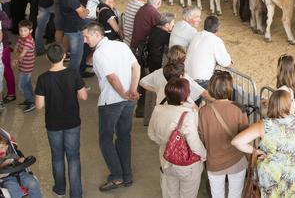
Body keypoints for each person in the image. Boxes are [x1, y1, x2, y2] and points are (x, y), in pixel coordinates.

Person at [83, 22, 139, 191]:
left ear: (97, 35)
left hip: (111, 101)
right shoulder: (121, 45)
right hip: (129, 100)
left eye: (86, 36)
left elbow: (112, 78)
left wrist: (123, 93)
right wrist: (132, 91)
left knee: (105, 139)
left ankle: (117, 176)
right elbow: (136, 66)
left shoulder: (100, 54)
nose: (85, 41)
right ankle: (127, 175)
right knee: (124, 136)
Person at [34, 43, 86, 198]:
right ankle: (76, 194)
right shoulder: (73, 73)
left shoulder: (43, 79)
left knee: (57, 156)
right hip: (72, 122)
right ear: (64, 56)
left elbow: (39, 105)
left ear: (48, 58)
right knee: (73, 157)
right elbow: (83, 96)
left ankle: (60, 189)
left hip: (53, 124)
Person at [147, 78, 206, 198]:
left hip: (166, 158)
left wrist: (166, 143)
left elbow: (151, 134)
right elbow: (194, 143)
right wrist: (204, 155)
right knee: (188, 194)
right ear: (185, 97)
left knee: (169, 193)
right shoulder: (188, 114)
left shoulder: (157, 109)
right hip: (187, 165)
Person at [198, 71, 250, 198]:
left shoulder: (203, 112)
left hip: (214, 161)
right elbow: (245, 136)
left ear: (211, 88)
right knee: (235, 194)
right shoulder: (239, 109)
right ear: (230, 88)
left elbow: (201, 138)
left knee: (217, 195)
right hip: (237, 160)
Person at [185, 15, 231, 89]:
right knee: (224, 90)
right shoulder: (216, 40)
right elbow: (226, 63)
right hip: (201, 81)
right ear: (217, 28)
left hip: (186, 76)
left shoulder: (196, 35)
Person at [57, 0, 88, 75]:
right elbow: (83, 14)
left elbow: (80, 7)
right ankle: (72, 80)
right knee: (76, 57)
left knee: (76, 55)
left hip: (70, 26)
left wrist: (82, 9)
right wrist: (86, 11)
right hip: (74, 29)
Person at [13, 20, 35, 112]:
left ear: (30, 31)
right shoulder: (22, 37)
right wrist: (17, 52)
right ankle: (31, 99)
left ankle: (31, 102)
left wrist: (15, 59)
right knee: (27, 83)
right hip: (24, 65)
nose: (22, 33)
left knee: (22, 86)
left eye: (25, 30)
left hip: (27, 66)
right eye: (20, 30)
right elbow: (16, 47)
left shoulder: (28, 42)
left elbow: (21, 55)